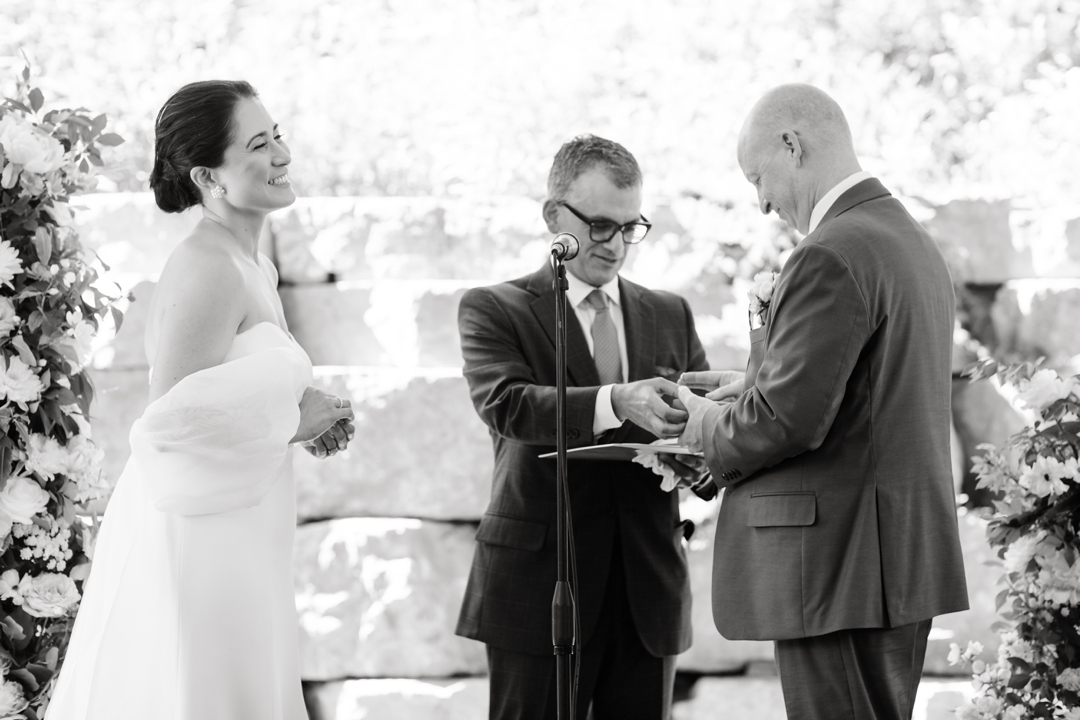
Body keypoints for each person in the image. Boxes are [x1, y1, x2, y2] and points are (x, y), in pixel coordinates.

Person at [46, 80, 354, 720]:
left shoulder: (255, 266)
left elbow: (233, 394)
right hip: (195, 537)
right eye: (260, 144)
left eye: (279, 136)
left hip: (244, 524)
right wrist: (294, 422)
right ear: (208, 175)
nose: (283, 156)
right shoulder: (205, 265)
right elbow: (169, 427)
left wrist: (307, 417)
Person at [676, 84, 969, 720]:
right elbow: (860, 393)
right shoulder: (905, 239)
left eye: (759, 178)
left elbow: (790, 419)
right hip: (890, 562)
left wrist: (705, 425)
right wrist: (752, 386)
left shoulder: (831, 252)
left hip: (842, 567)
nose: (761, 204)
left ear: (793, 143)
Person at [455, 134, 712, 720]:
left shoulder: (671, 311)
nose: (616, 244)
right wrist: (616, 401)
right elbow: (508, 405)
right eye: (600, 225)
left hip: (646, 588)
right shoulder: (495, 308)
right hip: (541, 588)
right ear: (554, 216)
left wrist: (703, 459)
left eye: (630, 226)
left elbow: (702, 421)